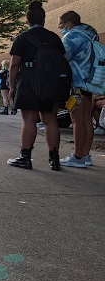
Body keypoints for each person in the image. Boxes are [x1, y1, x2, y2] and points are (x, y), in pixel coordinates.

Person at [7, 1, 65, 170]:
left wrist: (12, 87)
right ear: (44, 20)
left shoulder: (22, 38)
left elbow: (14, 65)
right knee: (50, 120)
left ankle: (25, 157)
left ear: (27, 21)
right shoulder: (54, 38)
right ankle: (54, 159)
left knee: (29, 119)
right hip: (50, 82)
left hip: (28, 80)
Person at [59, 11, 99, 167]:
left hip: (76, 83)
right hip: (89, 83)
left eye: (61, 24)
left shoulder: (72, 37)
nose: (60, 27)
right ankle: (85, 155)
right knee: (87, 120)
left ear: (69, 23)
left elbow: (62, 58)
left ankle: (77, 157)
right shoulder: (90, 35)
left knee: (76, 120)